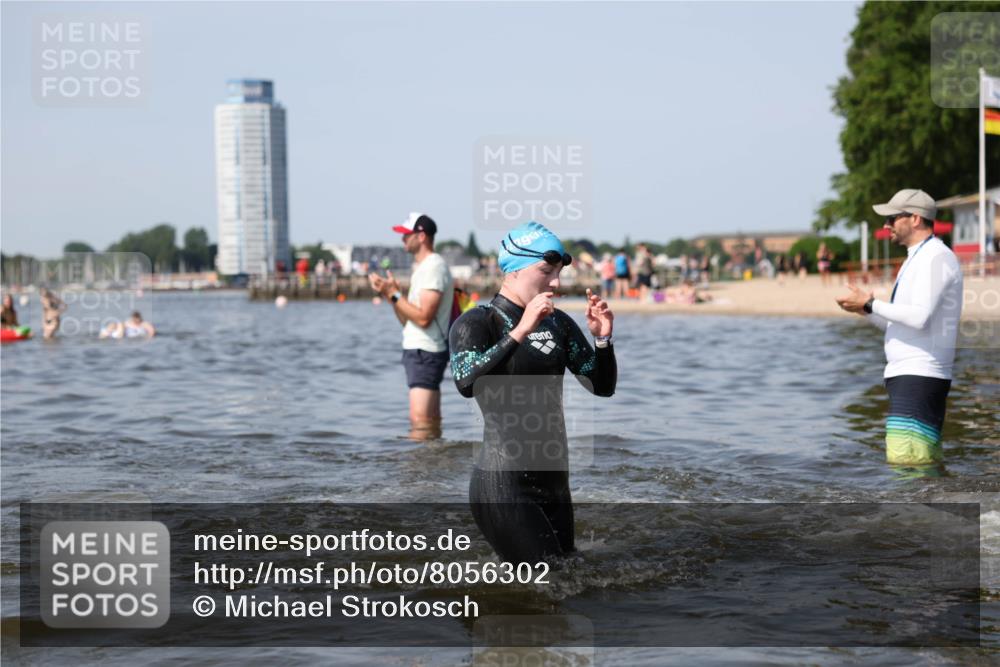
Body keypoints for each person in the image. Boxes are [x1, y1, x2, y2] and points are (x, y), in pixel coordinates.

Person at [449, 221, 617, 563]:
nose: (555, 282)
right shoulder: (478, 323)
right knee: (545, 585)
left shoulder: (558, 324)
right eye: (546, 271)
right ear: (513, 270)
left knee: (568, 582)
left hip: (555, 484)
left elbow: (601, 386)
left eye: (557, 272)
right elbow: (467, 382)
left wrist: (602, 340)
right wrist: (522, 329)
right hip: (503, 486)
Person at [835, 189, 963, 467]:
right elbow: (901, 325)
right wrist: (866, 310)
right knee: (915, 465)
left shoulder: (937, 258)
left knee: (908, 464)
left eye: (892, 218)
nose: (886, 225)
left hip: (920, 374)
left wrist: (871, 301)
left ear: (915, 218)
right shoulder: (917, 258)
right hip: (909, 375)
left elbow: (919, 317)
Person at [368, 213, 453, 440]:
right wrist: (393, 296)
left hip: (425, 351)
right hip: (423, 350)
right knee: (429, 422)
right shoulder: (424, 267)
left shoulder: (433, 267)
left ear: (421, 236)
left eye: (406, 235)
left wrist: (394, 295)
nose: (402, 240)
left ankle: (420, 471)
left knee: (420, 422)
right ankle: (432, 466)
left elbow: (424, 317)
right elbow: (408, 320)